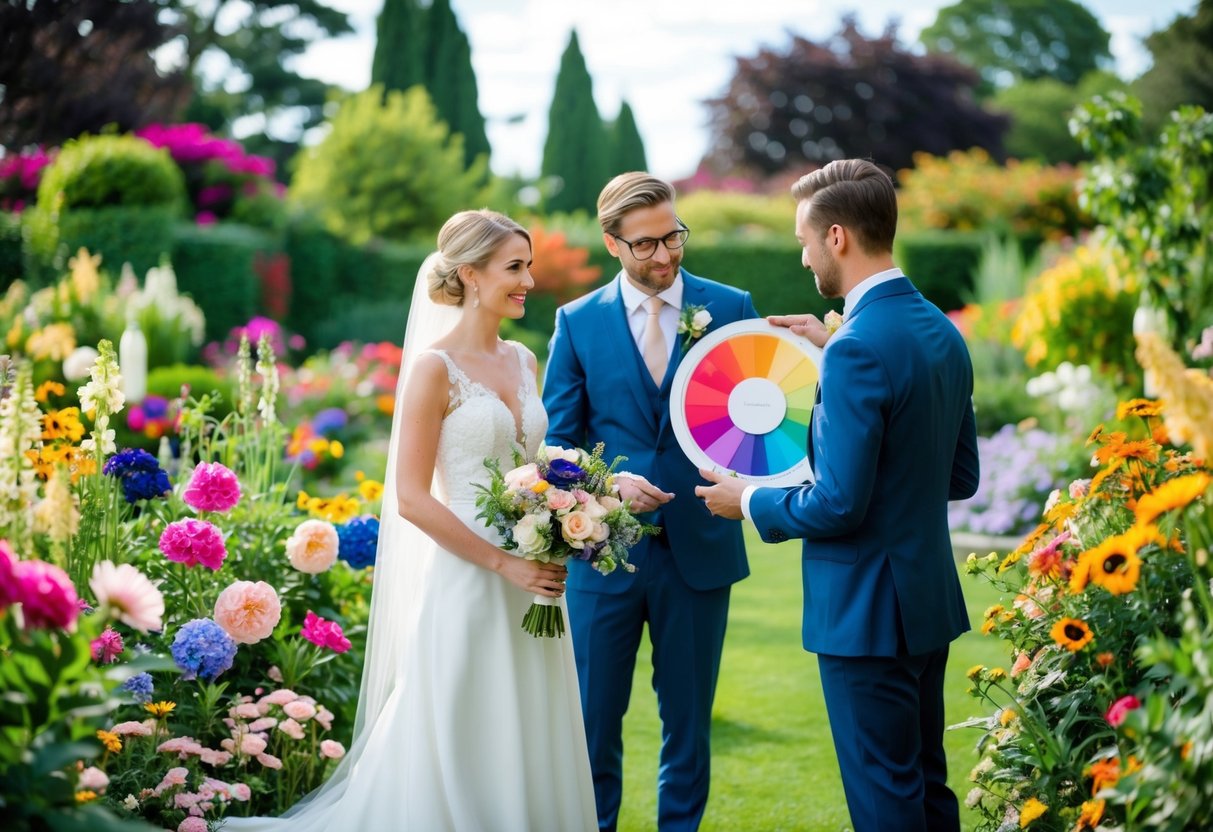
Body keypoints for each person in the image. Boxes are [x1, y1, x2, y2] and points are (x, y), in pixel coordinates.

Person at [224, 210, 597, 831]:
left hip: (535, 574)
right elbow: (411, 497)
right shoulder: (433, 369)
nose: (528, 278)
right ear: (471, 275)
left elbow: (532, 466)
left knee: (529, 717)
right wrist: (503, 562)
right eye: (514, 267)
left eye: (527, 264)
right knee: (461, 719)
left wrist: (581, 498)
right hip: (472, 575)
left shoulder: (524, 360)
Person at [696, 159, 980, 832]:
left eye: (802, 240)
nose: (800, 257)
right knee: (925, 786)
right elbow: (958, 477)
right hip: (924, 601)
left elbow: (837, 504)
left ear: (836, 237)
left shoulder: (855, 349)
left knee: (883, 799)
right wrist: (833, 354)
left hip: (863, 616)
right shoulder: (938, 328)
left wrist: (750, 502)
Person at [542, 172, 759, 831]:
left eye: (673, 237)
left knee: (688, 724)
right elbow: (556, 443)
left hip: (701, 548)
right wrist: (607, 487)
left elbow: (763, 419)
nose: (664, 255)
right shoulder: (576, 323)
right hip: (603, 556)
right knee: (592, 722)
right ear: (612, 243)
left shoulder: (730, 308)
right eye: (645, 245)